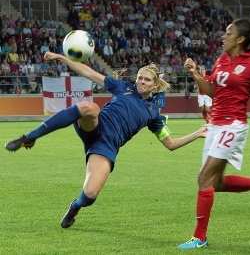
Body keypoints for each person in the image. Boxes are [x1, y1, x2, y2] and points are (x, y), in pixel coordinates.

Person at [5, 51, 207, 229]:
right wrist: (61, 58)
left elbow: (170, 144)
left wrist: (196, 134)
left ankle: (75, 206)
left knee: (90, 195)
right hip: (96, 125)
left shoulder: (154, 113)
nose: (141, 82)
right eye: (139, 78)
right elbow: (88, 73)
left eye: (146, 80)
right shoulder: (122, 87)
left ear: (155, 85)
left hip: (106, 146)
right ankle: (30, 137)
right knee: (89, 107)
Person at [177, 17, 250, 249]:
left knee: (203, 178)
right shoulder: (221, 59)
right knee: (214, 183)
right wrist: (195, 74)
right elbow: (212, 92)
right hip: (216, 124)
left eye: (229, 33)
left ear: (240, 39)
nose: (223, 36)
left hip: (233, 125)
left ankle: (200, 238)